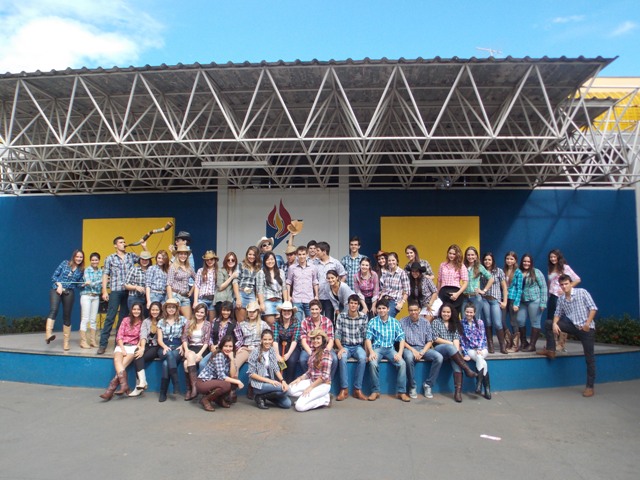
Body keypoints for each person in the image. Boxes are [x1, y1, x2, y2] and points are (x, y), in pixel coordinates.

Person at [537, 274, 598, 397]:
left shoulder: (582, 292)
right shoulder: (561, 299)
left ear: (571, 283)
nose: (564, 286)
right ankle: (551, 350)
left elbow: (593, 308)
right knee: (549, 323)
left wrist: (587, 324)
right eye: (562, 285)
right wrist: (555, 323)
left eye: (566, 284)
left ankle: (590, 387)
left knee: (589, 358)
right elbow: (557, 313)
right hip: (573, 326)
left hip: (586, 329)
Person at [98, 237, 145, 354]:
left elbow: (145, 260)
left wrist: (144, 247)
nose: (124, 244)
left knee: (123, 318)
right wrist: (104, 291)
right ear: (115, 245)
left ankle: (117, 344)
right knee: (110, 317)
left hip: (128, 291)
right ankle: (102, 344)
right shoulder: (110, 258)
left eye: (124, 242)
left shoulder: (131, 256)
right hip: (115, 290)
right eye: (121, 242)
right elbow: (105, 274)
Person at [365, 297, 410, 402]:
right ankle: (375, 391)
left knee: (402, 363)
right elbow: (368, 338)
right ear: (377, 310)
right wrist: (371, 352)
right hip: (377, 349)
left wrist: (399, 353)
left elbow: (401, 338)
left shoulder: (395, 322)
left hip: (390, 349)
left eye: (383, 308)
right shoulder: (372, 321)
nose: (381, 310)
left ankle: (401, 392)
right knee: (372, 363)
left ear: (388, 309)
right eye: (379, 308)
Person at [432, 304, 478, 403]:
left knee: (457, 363)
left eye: (448, 312)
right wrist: (450, 344)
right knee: (450, 348)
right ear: (440, 312)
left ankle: (458, 392)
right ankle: (467, 369)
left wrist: (456, 351)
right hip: (440, 349)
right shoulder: (436, 322)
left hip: (452, 352)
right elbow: (435, 338)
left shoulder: (454, 323)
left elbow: (456, 339)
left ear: (451, 313)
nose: (446, 314)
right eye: (444, 312)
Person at [99, 302, 144, 400]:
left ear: (141, 311)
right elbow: (119, 336)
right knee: (117, 361)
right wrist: (122, 349)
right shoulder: (125, 320)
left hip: (133, 347)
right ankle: (124, 385)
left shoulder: (143, 322)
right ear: (131, 310)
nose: (136, 311)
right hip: (121, 345)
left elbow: (141, 338)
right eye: (134, 309)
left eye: (138, 309)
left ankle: (110, 390)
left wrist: (138, 347)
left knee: (122, 365)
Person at [400, 301, 444, 399]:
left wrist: (422, 352)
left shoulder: (426, 322)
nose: (413, 312)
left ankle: (428, 385)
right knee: (408, 357)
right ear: (408, 311)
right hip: (409, 348)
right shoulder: (402, 322)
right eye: (411, 310)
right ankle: (412, 386)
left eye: (415, 310)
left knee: (439, 357)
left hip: (423, 348)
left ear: (419, 310)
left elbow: (430, 341)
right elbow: (401, 340)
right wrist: (413, 350)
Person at [46, 249, 85, 350]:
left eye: (81, 257)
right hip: (57, 289)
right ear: (73, 257)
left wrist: (84, 284)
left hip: (69, 291)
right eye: (77, 256)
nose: (79, 259)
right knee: (54, 309)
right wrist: (59, 285)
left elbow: (79, 284)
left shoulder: (81, 270)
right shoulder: (65, 263)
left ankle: (66, 342)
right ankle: (48, 334)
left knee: (67, 315)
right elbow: (54, 276)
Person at [195, 335, 245, 411]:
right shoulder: (219, 355)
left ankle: (219, 400)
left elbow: (232, 375)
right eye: (226, 346)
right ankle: (205, 399)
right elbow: (222, 376)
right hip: (203, 382)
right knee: (227, 384)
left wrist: (232, 359)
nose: (228, 348)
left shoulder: (229, 356)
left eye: (230, 346)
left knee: (234, 380)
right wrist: (238, 382)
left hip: (214, 381)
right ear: (221, 346)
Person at [288, 329, 333, 411]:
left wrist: (310, 387)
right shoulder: (313, 352)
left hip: (322, 385)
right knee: (289, 389)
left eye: (318, 338)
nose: (315, 341)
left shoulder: (326, 354)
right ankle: (308, 397)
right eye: (313, 338)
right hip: (311, 381)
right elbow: (310, 372)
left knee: (299, 407)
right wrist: (299, 379)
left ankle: (325, 400)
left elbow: (325, 376)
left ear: (323, 340)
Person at [334, 295, 369, 401]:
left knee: (362, 358)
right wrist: (340, 348)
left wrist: (367, 353)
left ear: (358, 305)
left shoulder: (363, 317)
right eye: (351, 303)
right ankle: (344, 389)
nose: (353, 305)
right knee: (342, 358)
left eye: (355, 303)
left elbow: (366, 337)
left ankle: (357, 389)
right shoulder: (341, 316)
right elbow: (337, 336)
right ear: (348, 304)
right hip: (345, 346)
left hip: (358, 346)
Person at [248, 329, 292, 409]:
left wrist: (283, 381)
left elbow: (276, 368)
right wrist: (270, 381)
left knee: (287, 404)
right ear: (261, 340)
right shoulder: (255, 352)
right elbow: (251, 373)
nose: (267, 342)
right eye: (265, 339)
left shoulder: (272, 350)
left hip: (270, 382)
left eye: (269, 339)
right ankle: (259, 395)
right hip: (258, 384)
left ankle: (263, 396)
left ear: (272, 340)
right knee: (285, 390)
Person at [547, 249, 581, 351]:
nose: (553, 259)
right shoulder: (551, 268)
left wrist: (566, 289)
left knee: (562, 320)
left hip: (561, 297)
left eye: (554, 257)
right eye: (551, 257)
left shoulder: (565, 267)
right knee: (551, 320)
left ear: (559, 257)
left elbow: (577, 279)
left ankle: (561, 344)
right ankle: (552, 344)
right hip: (552, 297)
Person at [128, 301, 162, 397]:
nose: (154, 312)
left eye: (157, 310)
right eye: (153, 310)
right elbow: (143, 335)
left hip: (157, 346)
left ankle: (140, 385)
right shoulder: (146, 321)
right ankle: (142, 382)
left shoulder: (162, 321)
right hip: (147, 345)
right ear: (150, 310)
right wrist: (142, 348)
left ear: (160, 310)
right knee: (137, 353)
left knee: (139, 358)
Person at [157, 298, 188, 402]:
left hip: (177, 346)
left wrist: (182, 346)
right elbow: (159, 340)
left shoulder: (182, 320)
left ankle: (163, 392)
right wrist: (165, 347)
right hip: (163, 347)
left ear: (176, 309)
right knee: (169, 354)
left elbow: (186, 335)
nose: (171, 309)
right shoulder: (161, 321)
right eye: (169, 307)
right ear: (165, 309)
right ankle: (176, 383)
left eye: (173, 307)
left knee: (166, 364)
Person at [298, 299, 338, 379]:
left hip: (324, 348)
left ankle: (328, 381)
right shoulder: (305, 322)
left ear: (320, 310)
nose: (314, 311)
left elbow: (331, 340)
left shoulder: (327, 321)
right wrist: (311, 354)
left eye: (316, 309)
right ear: (309, 310)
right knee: (303, 360)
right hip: (310, 348)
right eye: (312, 309)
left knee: (334, 359)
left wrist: (325, 351)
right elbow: (303, 341)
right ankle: (311, 379)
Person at [460, 304, 491, 399]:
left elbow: (483, 337)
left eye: (471, 312)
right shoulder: (461, 323)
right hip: (470, 349)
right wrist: (465, 353)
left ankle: (479, 383)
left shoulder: (480, 322)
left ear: (474, 313)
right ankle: (486, 389)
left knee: (479, 356)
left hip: (482, 349)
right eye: (467, 312)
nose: (469, 314)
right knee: (482, 361)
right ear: (464, 312)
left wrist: (479, 348)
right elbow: (462, 340)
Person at [517, 254, 547, 352]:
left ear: (531, 263)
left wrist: (543, 302)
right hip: (522, 301)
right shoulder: (518, 272)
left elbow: (543, 287)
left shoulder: (536, 272)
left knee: (535, 322)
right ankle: (523, 342)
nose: (526, 263)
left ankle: (532, 345)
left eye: (528, 261)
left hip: (534, 300)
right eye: (524, 261)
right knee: (520, 320)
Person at [182, 303, 212, 401]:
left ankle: (191, 389)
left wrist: (199, 354)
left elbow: (207, 341)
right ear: (194, 312)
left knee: (186, 363)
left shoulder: (207, 324)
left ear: (205, 314)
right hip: (191, 348)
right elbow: (184, 338)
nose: (199, 314)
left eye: (202, 312)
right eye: (197, 312)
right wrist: (186, 350)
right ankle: (193, 387)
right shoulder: (189, 323)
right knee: (187, 360)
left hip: (202, 349)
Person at [480, 252, 509, 354]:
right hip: (484, 299)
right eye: (485, 260)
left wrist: (505, 301)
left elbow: (504, 287)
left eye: (489, 260)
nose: (487, 261)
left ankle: (502, 345)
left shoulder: (498, 271)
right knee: (488, 322)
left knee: (497, 323)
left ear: (492, 261)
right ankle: (490, 344)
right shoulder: (481, 271)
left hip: (495, 300)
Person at [313, 241, 347, 322]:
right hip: (319, 296)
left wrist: (337, 287)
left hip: (330, 297)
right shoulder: (315, 263)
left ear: (324, 251)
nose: (315, 252)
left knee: (329, 319)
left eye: (318, 250)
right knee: (317, 319)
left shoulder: (335, 263)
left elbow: (343, 275)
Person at [286, 245, 319, 323]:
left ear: (307, 254)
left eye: (303, 254)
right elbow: (288, 282)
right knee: (297, 322)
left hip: (309, 298)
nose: (302, 256)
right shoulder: (292, 268)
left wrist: (316, 295)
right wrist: (288, 296)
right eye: (300, 254)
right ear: (297, 255)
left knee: (311, 321)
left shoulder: (313, 267)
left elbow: (315, 282)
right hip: (296, 298)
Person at [256, 251, 288, 327]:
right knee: (270, 323)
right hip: (268, 301)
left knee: (280, 325)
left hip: (279, 301)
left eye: (272, 259)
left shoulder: (281, 272)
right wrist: (262, 303)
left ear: (275, 260)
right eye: (267, 260)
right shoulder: (261, 272)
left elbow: (284, 288)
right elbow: (259, 289)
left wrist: (286, 303)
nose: (270, 261)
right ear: (264, 261)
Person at [273, 301, 301, 383]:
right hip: (279, 344)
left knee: (291, 360)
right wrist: (277, 354)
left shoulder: (296, 323)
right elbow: (275, 339)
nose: (286, 312)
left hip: (292, 346)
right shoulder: (276, 323)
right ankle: (279, 382)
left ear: (292, 312)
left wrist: (288, 354)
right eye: (284, 310)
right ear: (281, 312)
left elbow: (295, 340)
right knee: (278, 360)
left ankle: (289, 383)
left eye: (289, 311)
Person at [463, 246, 493, 321]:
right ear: (466, 256)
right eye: (468, 255)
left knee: (475, 320)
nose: (470, 257)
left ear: (476, 256)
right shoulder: (462, 266)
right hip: (464, 297)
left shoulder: (479, 267)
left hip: (475, 297)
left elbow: (491, 279)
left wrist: (483, 291)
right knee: (464, 319)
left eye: (472, 255)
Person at [167, 244, 196, 320]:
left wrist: (191, 291)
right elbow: (169, 284)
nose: (183, 256)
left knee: (188, 320)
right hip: (175, 295)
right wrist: (170, 299)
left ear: (187, 256)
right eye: (181, 254)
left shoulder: (189, 267)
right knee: (174, 318)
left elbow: (197, 279)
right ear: (177, 255)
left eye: (185, 254)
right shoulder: (173, 267)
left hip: (185, 296)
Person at [437, 244, 468, 315]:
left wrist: (457, 294)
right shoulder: (442, 265)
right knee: (443, 314)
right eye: (450, 253)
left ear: (457, 255)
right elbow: (439, 280)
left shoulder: (461, 266)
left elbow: (465, 282)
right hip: (443, 292)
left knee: (454, 315)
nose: (451, 255)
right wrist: (437, 293)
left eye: (454, 254)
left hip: (455, 292)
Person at [79, 252, 101, 349]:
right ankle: (83, 341)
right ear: (90, 261)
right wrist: (102, 281)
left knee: (93, 320)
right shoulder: (87, 270)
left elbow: (92, 283)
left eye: (96, 260)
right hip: (86, 296)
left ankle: (93, 341)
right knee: (85, 319)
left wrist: (99, 282)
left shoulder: (101, 271)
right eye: (92, 260)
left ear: (99, 261)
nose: (94, 261)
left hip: (96, 296)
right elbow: (90, 283)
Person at [502, 251, 523, 352]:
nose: (509, 261)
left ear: (515, 260)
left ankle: (515, 345)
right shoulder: (503, 271)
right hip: (504, 299)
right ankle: (508, 341)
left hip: (513, 299)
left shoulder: (518, 272)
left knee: (513, 322)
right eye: (507, 258)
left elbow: (519, 289)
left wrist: (516, 303)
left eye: (511, 259)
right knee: (501, 320)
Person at [378, 252, 409, 317]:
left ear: (397, 261)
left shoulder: (402, 273)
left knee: (387, 317)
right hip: (384, 299)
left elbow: (407, 291)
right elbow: (384, 288)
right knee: (379, 318)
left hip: (394, 301)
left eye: (393, 260)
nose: (391, 262)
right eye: (389, 260)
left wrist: (401, 303)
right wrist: (380, 299)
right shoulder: (386, 272)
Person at [235, 246, 261, 322]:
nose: (251, 256)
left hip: (251, 294)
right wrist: (238, 298)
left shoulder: (258, 268)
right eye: (250, 254)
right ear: (247, 255)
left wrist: (257, 299)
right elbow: (235, 281)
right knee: (241, 322)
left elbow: (258, 286)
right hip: (241, 293)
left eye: (254, 255)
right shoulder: (241, 265)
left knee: (252, 321)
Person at [194, 250, 219, 320]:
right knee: (200, 319)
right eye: (207, 260)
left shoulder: (218, 271)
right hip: (202, 299)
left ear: (215, 260)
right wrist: (195, 301)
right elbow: (197, 286)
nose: (209, 261)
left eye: (211, 259)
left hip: (213, 300)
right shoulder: (200, 270)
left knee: (212, 321)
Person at [215, 251, 239, 316]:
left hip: (231, 300)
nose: (230, 261)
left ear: (235, 261)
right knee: (220, 319)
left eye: (233, 260)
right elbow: (220, 287)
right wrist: (232, 277)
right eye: (228, 260)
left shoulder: (237, 271)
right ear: (225, 261)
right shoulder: (221, 270)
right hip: (221, 300)